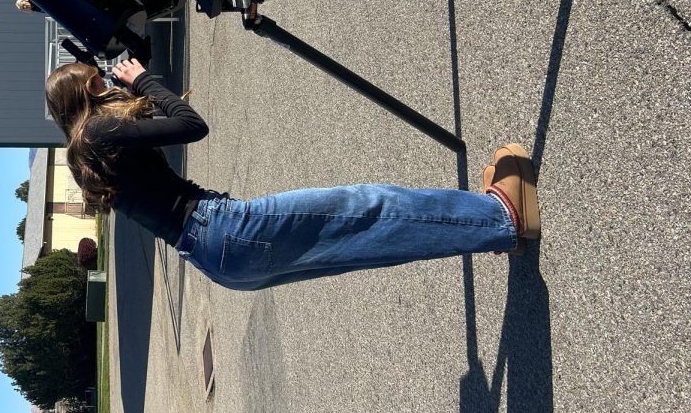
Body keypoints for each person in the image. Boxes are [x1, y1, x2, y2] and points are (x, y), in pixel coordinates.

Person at [44, 59, 539, 290]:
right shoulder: (100, 133)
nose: (109, 84)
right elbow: (192, 126)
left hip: (214, 261)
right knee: (368, 209)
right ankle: (501, 216)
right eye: (99, 81)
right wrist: (143, 80)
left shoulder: (82, 157)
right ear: (87, 93)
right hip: (222, 228)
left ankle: (484, 232)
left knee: (362, 246)